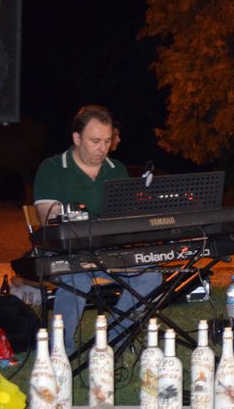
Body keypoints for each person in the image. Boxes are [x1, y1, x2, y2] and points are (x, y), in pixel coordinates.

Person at [33, 105, 162, 355]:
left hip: (107, 251)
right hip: (65, 253)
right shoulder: (53, 168)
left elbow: (124, 217)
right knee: (76, 276)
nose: (102, 148)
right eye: (95, 141)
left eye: (107, 141)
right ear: (77, 138)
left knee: (151, 276)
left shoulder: (117, 169)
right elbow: (49, 219)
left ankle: (110, 341)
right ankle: (60, 353)